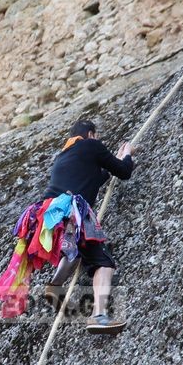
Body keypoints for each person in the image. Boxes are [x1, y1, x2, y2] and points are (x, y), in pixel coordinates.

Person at [43, 119, 135, 334]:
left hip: (50, 216)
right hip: (73, 213)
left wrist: (120, 161)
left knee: (74, 251)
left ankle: (55, 285)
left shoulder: (64, 157)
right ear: (91, 135)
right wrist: (128, 154)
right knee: (103, 262)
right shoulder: (91, 145)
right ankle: (99, 316)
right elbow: (124, 172)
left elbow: (95, 179)